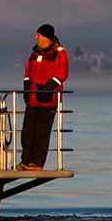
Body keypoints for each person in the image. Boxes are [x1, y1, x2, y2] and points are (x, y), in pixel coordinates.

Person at [19, 24, 69, 170]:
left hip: (48, 100)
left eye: (38, 35)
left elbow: (62, 73)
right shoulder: (34, 54)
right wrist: (26, 90)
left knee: (42, 132)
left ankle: (37, 163)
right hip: (32, 100)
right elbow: (27, 74)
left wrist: (46, 88)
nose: (36, 37)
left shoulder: (59, 53)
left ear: (46, 37)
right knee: (27, 132)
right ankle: (25, 161)